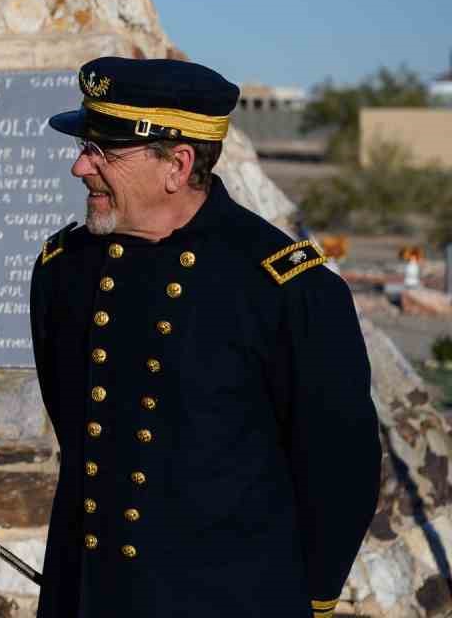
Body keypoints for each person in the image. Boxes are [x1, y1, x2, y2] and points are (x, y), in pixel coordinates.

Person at [29, 57, 380, 618]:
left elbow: (339, 471)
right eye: (84, 147)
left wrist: (308, 599)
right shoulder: (63, 270)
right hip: (89, 594)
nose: (79, 168)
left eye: (103, 153)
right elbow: (76, 429)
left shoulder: (284, 289)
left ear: (178, 164)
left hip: (230, 598)